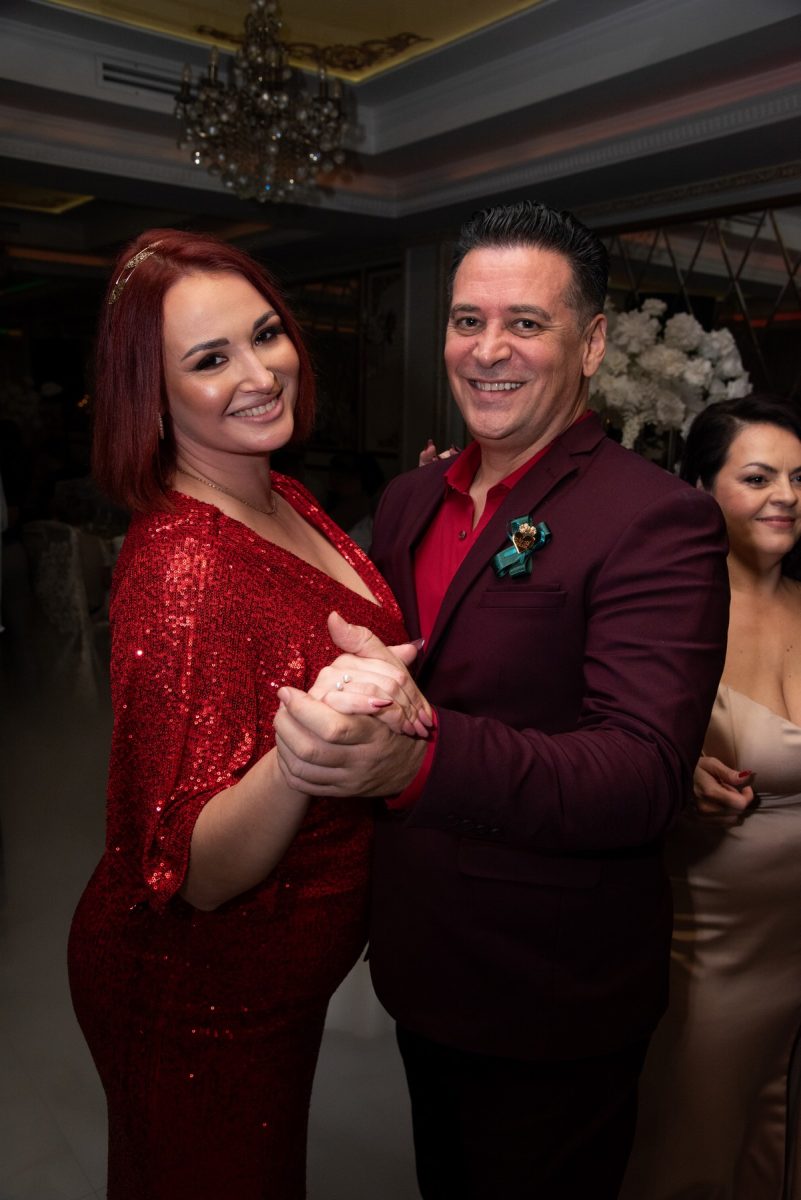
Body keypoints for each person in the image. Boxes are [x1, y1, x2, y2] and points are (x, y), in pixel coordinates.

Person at [273, 199, 731, 1198]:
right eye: (466, 321)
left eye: (526, 323)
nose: (487, 351)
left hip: (554, 985)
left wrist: (420, 758)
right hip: (422, 955)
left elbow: (641, 775)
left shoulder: (655, 519)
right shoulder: (410, 499)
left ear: (592, 343)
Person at [67, 229, 430, 1200]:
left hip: (279, 979)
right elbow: (192, 871)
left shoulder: (282, 493)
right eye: (210, 359)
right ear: (153, 395)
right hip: (196, 992)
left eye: (266, 334)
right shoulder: (182, 568)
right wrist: (301, 752)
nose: (262, 374)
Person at [620, 395, 801, 1200]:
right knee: (689, 1159)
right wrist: (668, 759)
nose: (785, 496)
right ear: (698, 488)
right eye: (757, 478)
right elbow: (590, 738)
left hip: (796, 949)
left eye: (799, 478)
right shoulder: (665, 618)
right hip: (708, 955)